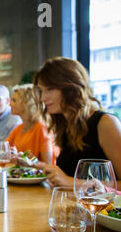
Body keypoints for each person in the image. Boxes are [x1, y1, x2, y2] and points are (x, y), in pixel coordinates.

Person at [33, 57, 121, 187]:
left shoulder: (105, 123)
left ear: (71, 87)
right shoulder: (66, 124)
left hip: (104, 207)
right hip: (72, 205)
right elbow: (68, 175)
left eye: (49, 89)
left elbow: (70, 181)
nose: (42, 98)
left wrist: (73, 183)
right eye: (41, 90)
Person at [6, 84, 56, 165]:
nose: (10, 104)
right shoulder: (19, 129)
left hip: (39, 177)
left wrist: (27, 160)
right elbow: (2, 150)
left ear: (27, 104)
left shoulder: (41, 128)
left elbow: (49, 164)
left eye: (14, 100)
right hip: (22, 176)